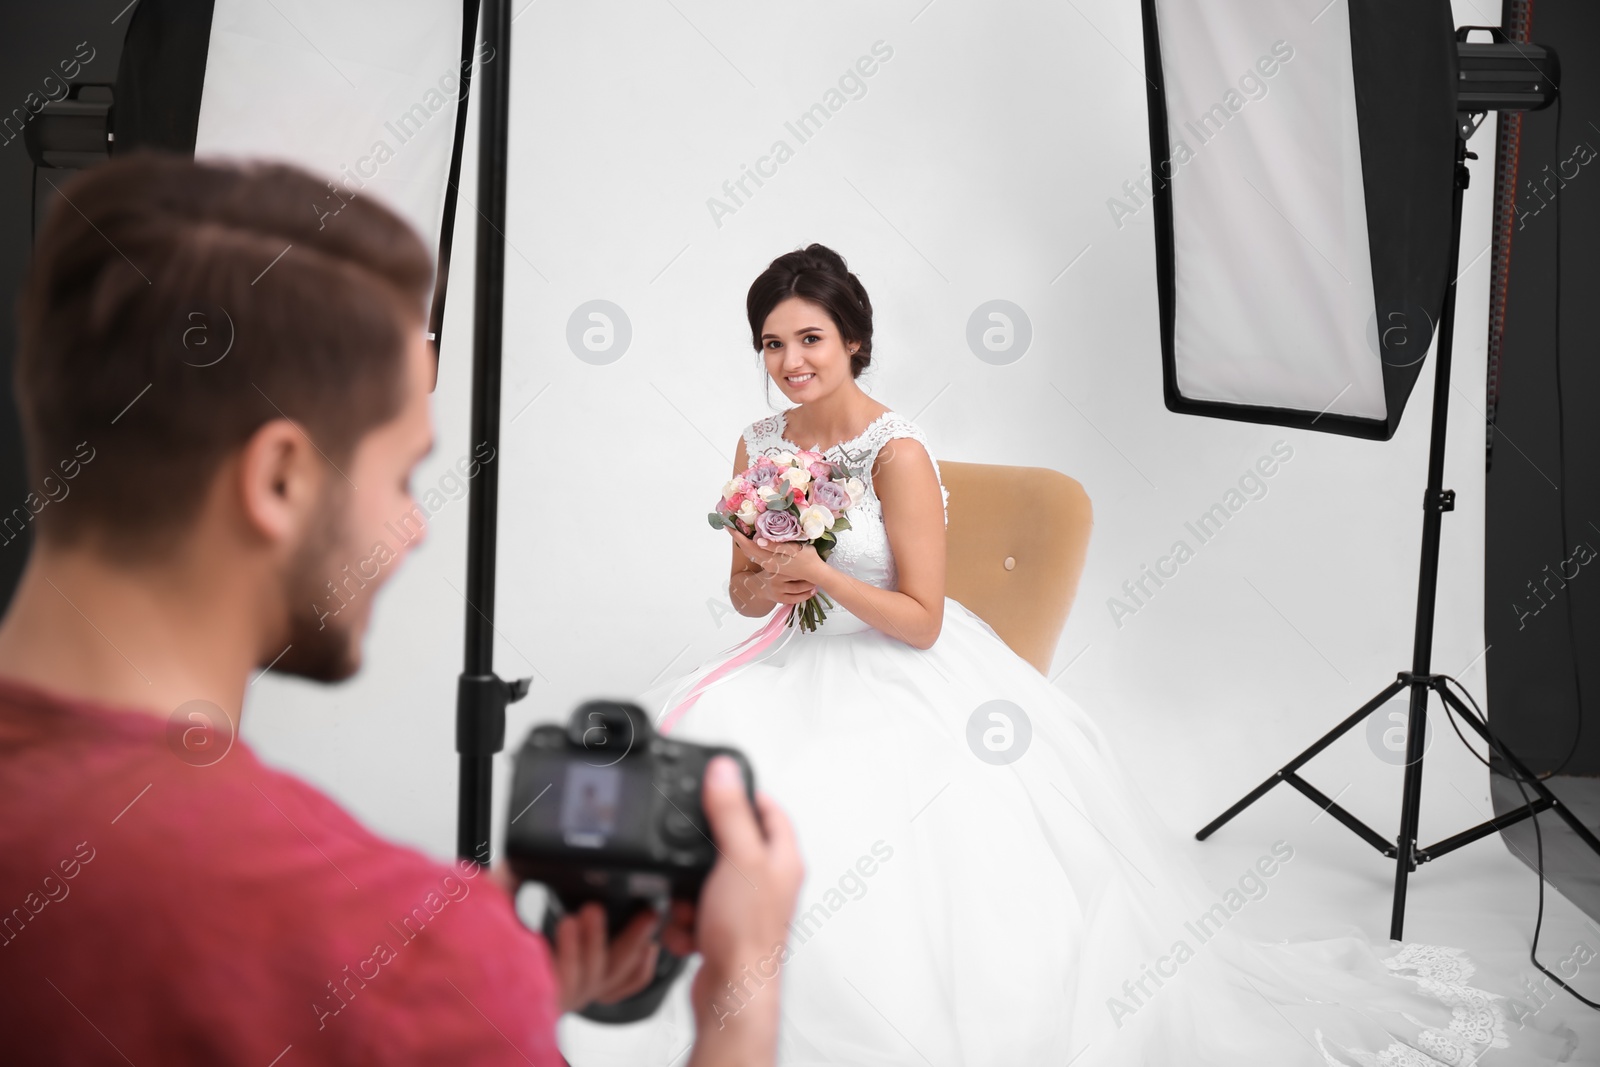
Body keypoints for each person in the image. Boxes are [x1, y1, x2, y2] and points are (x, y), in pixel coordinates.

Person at [556, 244, 1585, 1066]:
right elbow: (740, 589)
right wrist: (768, 580)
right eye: (772, 342)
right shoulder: (756, 444)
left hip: (900, 661)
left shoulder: (896, 451)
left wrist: (821, 574)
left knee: (837, 813)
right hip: (789, 657)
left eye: (811, 337)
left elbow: (917, 615)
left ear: (856, 338)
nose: (791, 361)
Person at [0, 151, 803, 1065]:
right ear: (280, 477)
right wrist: (744, 991)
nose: (416, 527)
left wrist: (489, 988)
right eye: (401, 475)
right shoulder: (390, 949)